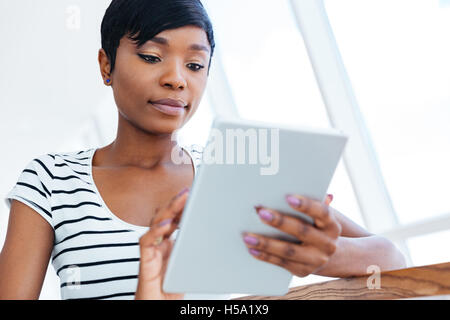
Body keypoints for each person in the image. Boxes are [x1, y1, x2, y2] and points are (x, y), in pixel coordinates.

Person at [0, 0, 406, 300]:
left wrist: (326, 256)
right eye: (152, 56)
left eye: (195, 65)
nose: (177, 79)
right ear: (107, 65)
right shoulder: (52, 180)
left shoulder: (232, 169)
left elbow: (390, 258)